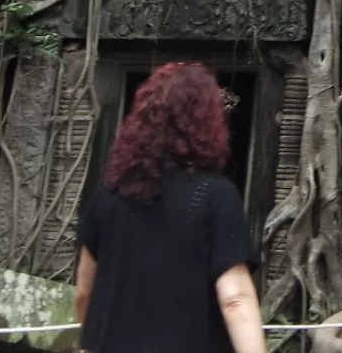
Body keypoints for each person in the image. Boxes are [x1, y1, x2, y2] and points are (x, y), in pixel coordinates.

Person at [75, 62, 268, 353]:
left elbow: (84, 293)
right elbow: (235, 299)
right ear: (208, 125)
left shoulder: (107, 198)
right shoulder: (215, 196)